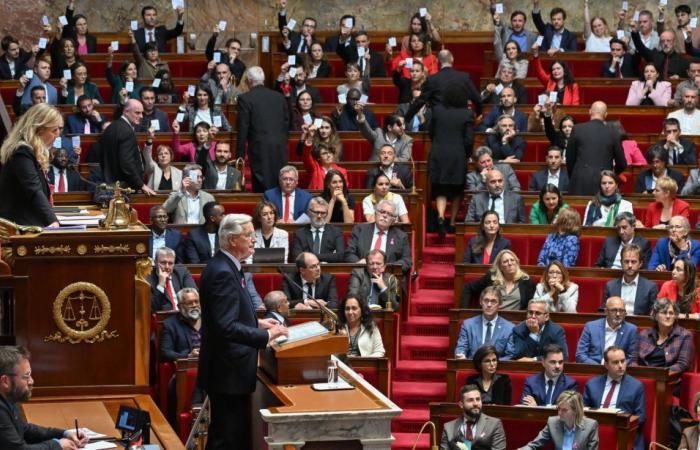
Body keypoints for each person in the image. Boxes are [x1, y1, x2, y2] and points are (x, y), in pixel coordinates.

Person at [197, 213, 288, 449]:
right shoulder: (223, 272)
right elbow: (225, 326)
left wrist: (257, 324)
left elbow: (226, 315)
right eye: (248, 235)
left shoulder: (228, 266)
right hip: (227, 371)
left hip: (229, 370)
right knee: (226, 439)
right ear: (232, 240)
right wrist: (266, 336)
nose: (254, 239)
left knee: (230, 436)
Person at [0, 346, 88, 449]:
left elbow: (25, 430)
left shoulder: (9, 398)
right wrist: (57, 445)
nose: (31, 381)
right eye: (26, 376)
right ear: (5, 381)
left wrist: (64, 434)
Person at [0, 104, 61, 227]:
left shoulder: (31, 151)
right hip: (17, 229)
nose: (58, 134)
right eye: (54, 130)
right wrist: (52, 221)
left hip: (28, 225)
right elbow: (33, 190)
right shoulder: (21, 152)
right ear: (39, 129)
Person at [236, 66, 289, 192]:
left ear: (249, 81)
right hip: (279, 146)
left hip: (259, 148)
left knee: (261, 187)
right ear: (263, 80)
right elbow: (287, 122)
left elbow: (243, 127)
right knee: (278, 182)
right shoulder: (279, 97)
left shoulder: (245, 98)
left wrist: (240, 155)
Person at [567, 102, 627, 196]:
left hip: (580, 181)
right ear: (606, 114)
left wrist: (576, 175)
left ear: (590, 111)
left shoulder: (577, 129)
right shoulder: (613, 132)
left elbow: (569, 159)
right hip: (603, 181)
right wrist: (610, 174)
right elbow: (622, 163)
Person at [98, 99, 156, 194]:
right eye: (137, 113)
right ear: (126, 112)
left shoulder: (111, 127)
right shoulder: (126, 131)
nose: (141, 116)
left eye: (142, 113)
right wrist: (141, 185)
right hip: (124, 188)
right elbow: (127, 163)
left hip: (110, 184)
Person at [636, 298, 694, 392]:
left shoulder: (684, 335)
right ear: (655, 315)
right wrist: (642, 377)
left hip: (669, 383)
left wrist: (658, 375)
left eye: (671, 313)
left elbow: (682, 365)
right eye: (664, 312)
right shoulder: (644, 335)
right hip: (644, 381)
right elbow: (634, 360)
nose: (668, 316)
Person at [406, 50, 482, 119]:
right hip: (461, 122)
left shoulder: (432, 79)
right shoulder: (464, 77)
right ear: (452, 60)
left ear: (438, 61)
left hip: (440, 123)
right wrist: (479, 113)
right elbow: (477, 99)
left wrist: (407, 118)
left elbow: (420, 101)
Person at [345, 200, 412, 274]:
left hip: (387, 276)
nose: (385, 216)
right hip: (363, 274)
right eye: (382, 212)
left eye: (389, 214)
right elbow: (349, 253)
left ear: (393, 221)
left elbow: (407, 260)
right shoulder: (360, 230)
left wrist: (388, 267)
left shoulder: (401, 236)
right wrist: (359, 263)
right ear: (376, 213)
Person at [517, 391, 599, 450]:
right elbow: (534, 444)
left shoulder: (590, 425)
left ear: (576, 411)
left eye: (564, 410)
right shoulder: (553, 422)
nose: (559, 413)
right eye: (558, 409)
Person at [460, 249, 536, 309]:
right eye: (505, 261)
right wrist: (464, 312)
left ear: (517, 262)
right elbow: (468, 287)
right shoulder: (491, 278)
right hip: (492, 319)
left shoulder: (527, 281)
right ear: (500, 266)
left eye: (512, 260)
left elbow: (530, 306)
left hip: (514, 323)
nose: (510, 263)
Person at [439, 384, 506, 450]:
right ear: (461, 404)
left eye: (478, 399)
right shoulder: (448, 427)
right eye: (470, 400)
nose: (475, 403)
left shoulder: (494, 424)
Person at [455, 287, 515, 359]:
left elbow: (510, 355)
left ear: (500, 304)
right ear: (481, 302)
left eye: (493, 301)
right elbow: (461, 349)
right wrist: (460, 355)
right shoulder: (468, 325)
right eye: (486, 300)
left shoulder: (509, 328)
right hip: (473, 367)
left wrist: (492, 364)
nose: (489, 305)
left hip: (497, 368)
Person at [576, 297, 639, 364]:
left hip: (618, 370)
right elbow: (580, 355)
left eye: (621, 311)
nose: (618, 314)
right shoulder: (591, 327)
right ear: (606, 311)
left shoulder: (631, 329)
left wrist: (616, 365)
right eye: (614, 310)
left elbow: (631, 357)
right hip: (594, 368)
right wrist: (600, 366)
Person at [603, 244, 658, 315]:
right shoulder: (610, 286)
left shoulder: (650, 287)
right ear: (621, 263)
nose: (629, 265)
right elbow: (605, 312)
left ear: (640, 264)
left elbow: (653, 314)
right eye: (626, 261)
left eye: (633, 262)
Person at [505, 300, 569, 361]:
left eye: (537, 313)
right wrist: (533, 334)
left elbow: (563, 356)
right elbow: (520, 357)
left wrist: (535, 359)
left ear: (546, 317)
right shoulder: (519, 329)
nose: (533, 316)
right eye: (530, 312)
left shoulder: (556, 331)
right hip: (526, 368)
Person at [291, 197, 344, 263]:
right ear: (309, 213)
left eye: (323, 213)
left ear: (327, 214)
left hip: (328, 270)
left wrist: (311, 256)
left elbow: (340, 256)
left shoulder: (336, 232)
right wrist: (329, 256)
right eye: (316, 212)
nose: (319, 216)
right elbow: (297, 258)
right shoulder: (300, 233)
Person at [149, 247, 197, 312]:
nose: (167, 267)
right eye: (163, 263)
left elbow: (194, 295)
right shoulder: (148, 279)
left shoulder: (182, 272)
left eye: (170, 263)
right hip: (164, 319)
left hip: (185, 314)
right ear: (155, 262)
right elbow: (152, 308)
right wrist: (161, 285)